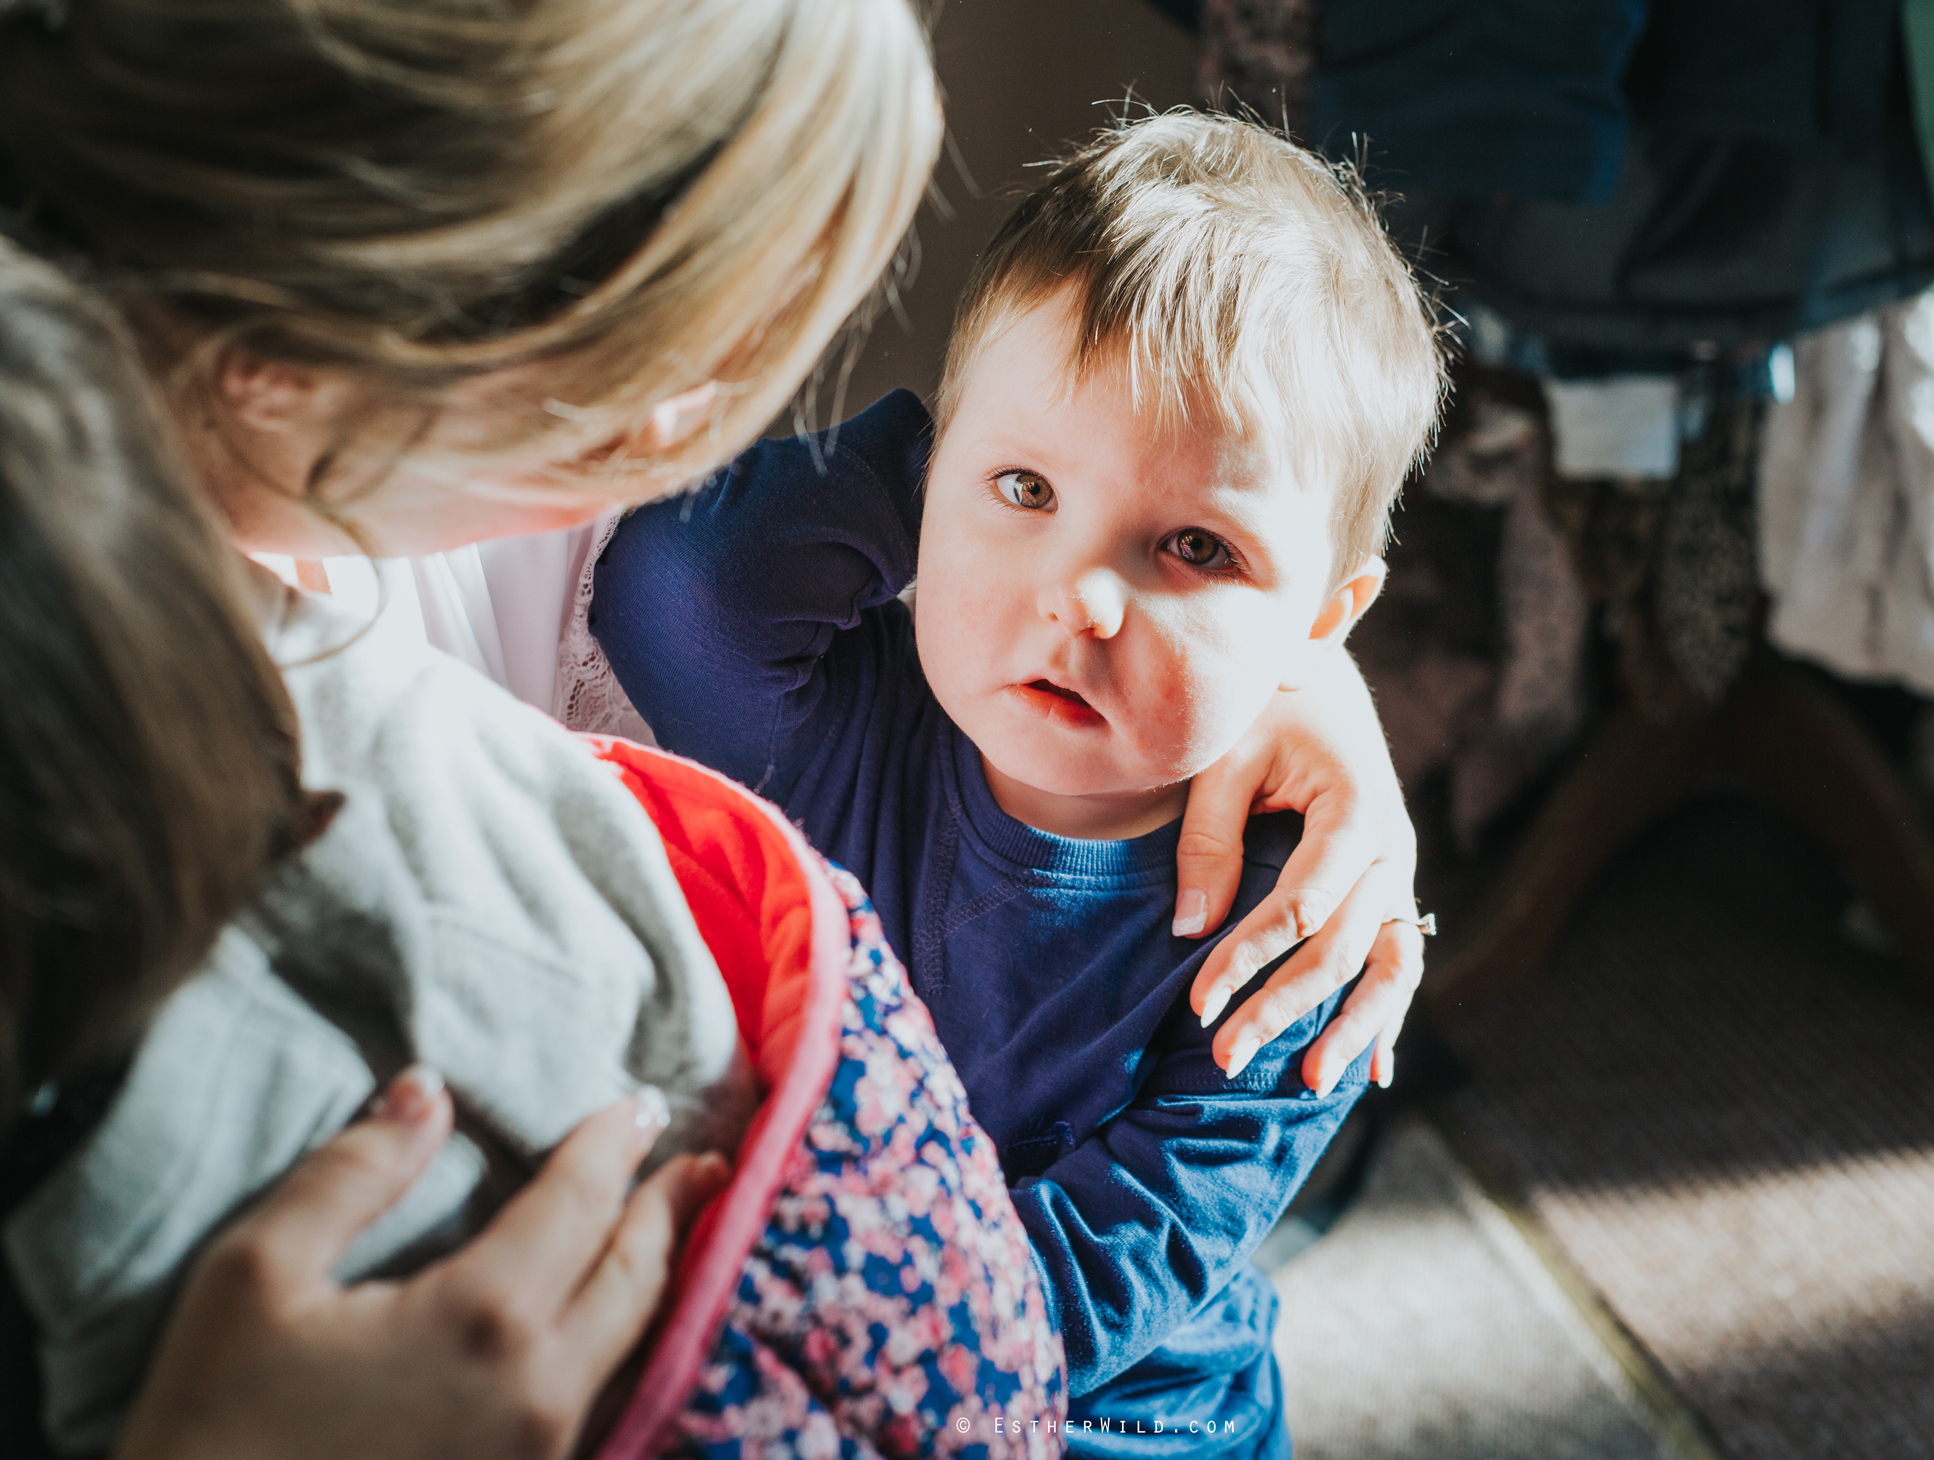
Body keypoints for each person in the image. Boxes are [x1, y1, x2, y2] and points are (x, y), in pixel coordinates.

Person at [0, 0, 1423, 1450]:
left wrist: (1281, 654)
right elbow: (696, 578)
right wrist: (1049, 486)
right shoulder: (789, 680)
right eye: (665, 330)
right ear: (416, 263)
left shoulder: (1274, 915)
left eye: (1191, 551)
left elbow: (1159, 1239)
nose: (707, 418)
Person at [588, 111, 1444, 1459]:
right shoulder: (829, 716)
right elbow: (677, 585)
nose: (1079, 597)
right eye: (1024, 487)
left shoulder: (1303, 921)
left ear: (1321, 625)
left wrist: (810, 1349)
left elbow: (1121, 1258)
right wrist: (931, 462)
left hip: (1119, 1417)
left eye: (1193, 548)